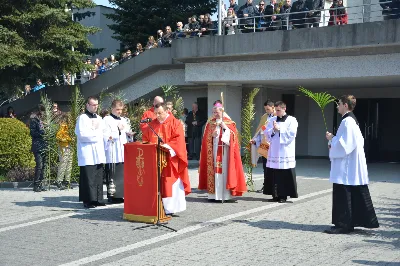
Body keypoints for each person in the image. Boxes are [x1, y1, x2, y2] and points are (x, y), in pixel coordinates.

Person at [324, 95, 379, 234]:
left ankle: (343, 225)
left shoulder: (347, 122)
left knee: (343, 194)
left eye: (339, 104)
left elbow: (345, 146)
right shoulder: (351, 121)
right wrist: (334, 139)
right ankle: (348, 223)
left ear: (346, 106)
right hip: (349, 164)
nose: (337, 106)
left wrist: (331, 139)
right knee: (348, 193)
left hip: (345, 167)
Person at [142, 102, 191, 215]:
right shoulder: (152, 124)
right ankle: (157, 206)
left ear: (166, 111)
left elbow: (178, 141)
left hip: (170, 160)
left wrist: (166, 147)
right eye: (156, 113)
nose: (157, 116)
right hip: (154, 159)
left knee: (169, 182)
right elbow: (145, 138)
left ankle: (170, 209)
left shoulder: (175, 123)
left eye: (160, 113)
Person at [198, 102, 247, 201]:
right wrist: (212, 135)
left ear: (222, 111)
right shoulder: (210, 123)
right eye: (213, 112)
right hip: (213, 152)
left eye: (216, 112)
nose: (214, 114)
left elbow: (234, 139)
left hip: (225, 152)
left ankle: (225, 195)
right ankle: (213, 195)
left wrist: (225, 128)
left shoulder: (229, 123)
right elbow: (206, 139)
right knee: (215, 172)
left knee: (224, 172)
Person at [263, 101, 298, 203]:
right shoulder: (272, 119)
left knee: (284, 174)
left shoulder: (292, 120)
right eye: (276, 110)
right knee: (274, 174)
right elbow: (266, 133)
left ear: (284, 109)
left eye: (278, 110)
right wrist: (273, 130)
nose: (276, 113)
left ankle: (283, 195)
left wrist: (279, 129)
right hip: (274, 151)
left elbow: (292, 134)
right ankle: (275, 195)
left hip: (285, 151)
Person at [75, 96, 107, 208]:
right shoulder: (82, 118)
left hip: (98, 151)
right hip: (87, 151)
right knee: (88, 177)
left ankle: (98, 199)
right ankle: (88, 200)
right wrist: (95, 132)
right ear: (87, 105)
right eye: (93, 105)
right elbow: (82, 135)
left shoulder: (99, 118)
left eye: (97, 105)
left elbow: (103, 133)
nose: (95, 107)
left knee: (98, 175)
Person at [103, 100, 131, 204]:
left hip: (122, 150)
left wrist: (130, 135)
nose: (119, 111)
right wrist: (118, 131)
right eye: (117, 109)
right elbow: (106, 135)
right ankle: (112, 195)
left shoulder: (124, 119)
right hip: (112, 150)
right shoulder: (106, 119)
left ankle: (120, 194)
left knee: (121, 173)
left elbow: (127, 133)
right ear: (112, 108)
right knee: (113, 173)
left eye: (121, 109)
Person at [250, 100, 275, 191]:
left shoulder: (278, 117)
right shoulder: (264, 117)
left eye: (268, 109)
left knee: (273, 168)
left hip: (274, 146)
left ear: (273, 107)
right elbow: (260, 132)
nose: (266, 111)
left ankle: (274, 187)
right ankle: (266, 186)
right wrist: (255, 140)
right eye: (265, 109)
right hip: (265, 145)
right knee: (265, 167)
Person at [29, 104, 48, 192]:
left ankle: (40, 184)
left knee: (43, 165)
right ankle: (36, 185)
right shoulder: (34, 120)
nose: (43, 114)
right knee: (39, 165)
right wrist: (42, 133)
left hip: (43, 144)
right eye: (42, 111)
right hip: (37, 145)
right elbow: (32, 133)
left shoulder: (43, 121)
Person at [55, 114, 73, 190]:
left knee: (69, 163)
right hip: (64, 146)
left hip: (69, 146)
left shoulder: (69, 127)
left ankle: (67, 181)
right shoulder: (62, 126)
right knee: (63, 163)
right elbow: (58, 137)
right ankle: (59, 180)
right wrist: (69, 139)